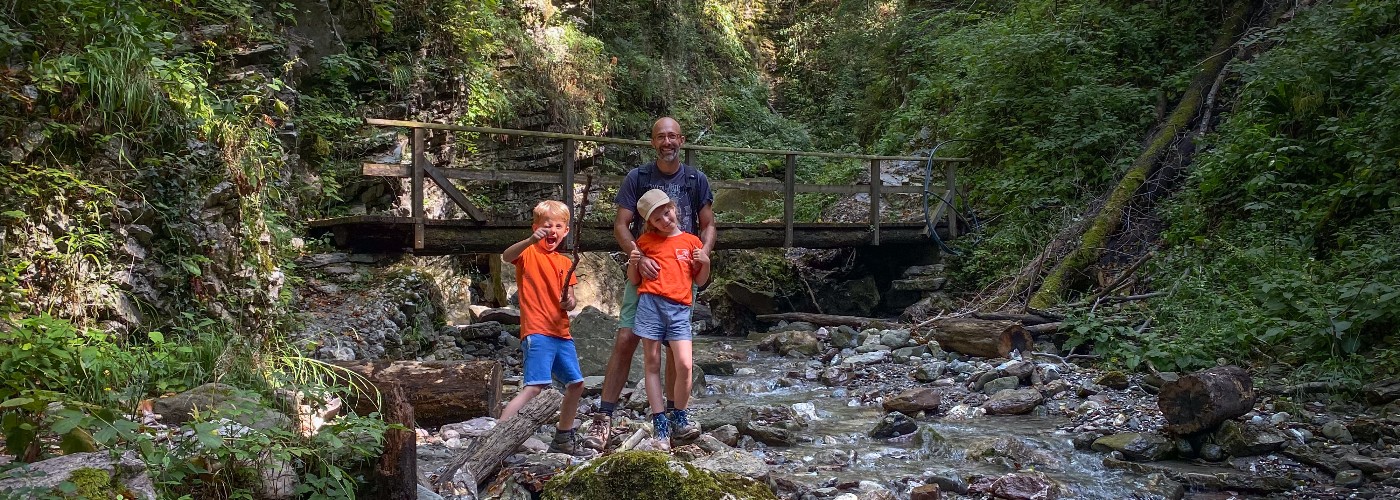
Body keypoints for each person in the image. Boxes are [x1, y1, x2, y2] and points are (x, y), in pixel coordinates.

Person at [582, 117, 716, 452]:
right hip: (647, 273)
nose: (667, 141)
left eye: (672, 136)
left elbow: (709, 224)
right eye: (661, 137)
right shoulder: (638, 178)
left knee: (677, 351)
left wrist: (702, 254)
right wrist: (638, 256)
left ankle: (673, 418)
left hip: (683, 273)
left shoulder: (694, 180)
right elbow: (621, 225)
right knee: (627, 336)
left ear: (681, 140)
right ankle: (604, 417)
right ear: (653, 142)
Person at [498, 200, 587, 455]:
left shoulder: (564, 262)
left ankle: (563, 436)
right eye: (547, 225)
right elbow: (507, 256)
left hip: (561, 332)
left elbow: (571, 300)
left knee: (576, 384)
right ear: (536, 227)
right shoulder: (529, 253)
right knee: (535, 386)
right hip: (537, 331)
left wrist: (569, 301)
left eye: (559, 226)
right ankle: (499, 432)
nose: (553, 231)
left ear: (566, 231)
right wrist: (529, 240)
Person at [627, 189, 711, 447]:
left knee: (685, 364)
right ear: (650, 223)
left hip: (679, 308)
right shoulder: (645, 242)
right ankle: (660, 422)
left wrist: (705, 261)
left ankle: (680, 417)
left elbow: (700, 280)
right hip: (650, 304)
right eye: (657, 218)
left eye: (667, 212)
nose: (665, 220)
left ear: (674, 208)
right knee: (652, 364)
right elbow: (634, 279)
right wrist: (633, 262)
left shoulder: (691, 242)